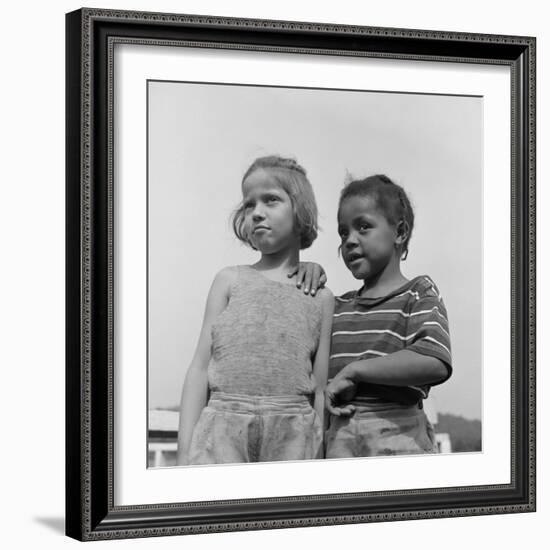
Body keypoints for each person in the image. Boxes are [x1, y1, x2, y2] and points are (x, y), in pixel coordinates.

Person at [176, 155, 334, 465]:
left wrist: (321, 459)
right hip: (222, 427)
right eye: (249, 204)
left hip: (294, 434)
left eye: (271, 200)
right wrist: (184, 451)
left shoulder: (321, 297)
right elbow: (199, 368)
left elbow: (320, 388)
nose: (257, 213)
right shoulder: (228, 280)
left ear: (300, 209)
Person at [325, 174, 452, 457]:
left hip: (402, 437)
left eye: (363, 227)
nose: (349, 241)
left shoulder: (418, 292)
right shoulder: (336, 306)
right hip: (338, 440)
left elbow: (434, 360)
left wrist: (356, 371)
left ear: (400, 232)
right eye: (343, 233)